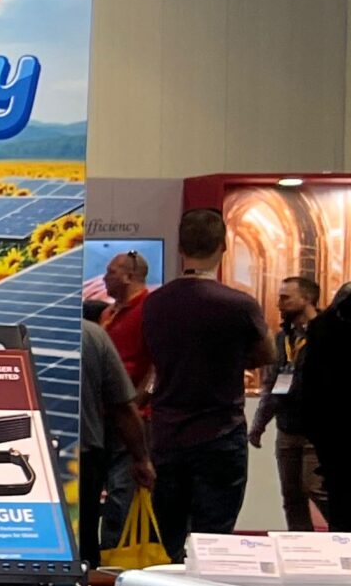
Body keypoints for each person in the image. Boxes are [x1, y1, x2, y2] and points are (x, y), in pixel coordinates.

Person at [139, 208, 275, 562]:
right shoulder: (239, 304)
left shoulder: (154, 304)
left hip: (168, 433)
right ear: (223, 246)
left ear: (181, 246)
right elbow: (268, 353)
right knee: (215, 538)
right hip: (220, 432)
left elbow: (152, 357)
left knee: (170, 537)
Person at [249, 274, 325, 530]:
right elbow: (272, 383)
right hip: (287, 429)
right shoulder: (283, 338)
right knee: (292, 498)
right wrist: (259, 424)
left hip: (317, 431)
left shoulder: (328, 334)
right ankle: (301, 546)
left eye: (285, 298)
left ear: (307, 299)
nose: (279, 303)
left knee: (318, 491)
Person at [78, 316, 154, 564]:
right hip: (80, 455)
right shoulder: (90, 334)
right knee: (82, 538)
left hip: (14, 447)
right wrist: (141, 459)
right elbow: (122, 406)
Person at [294, 282, 351, 531]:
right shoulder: (322, 329)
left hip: (330, 430)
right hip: (330, 428)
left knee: (339, 503)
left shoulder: (321, 328)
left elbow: (310, 386)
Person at [99, 250, 153, 402]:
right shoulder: (107, 313)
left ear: (128, 277)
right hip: (108, 407)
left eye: (111, 273)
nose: (104, 278)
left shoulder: (150, 310)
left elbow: (158, 368)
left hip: (136, 409)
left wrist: (137, 404)